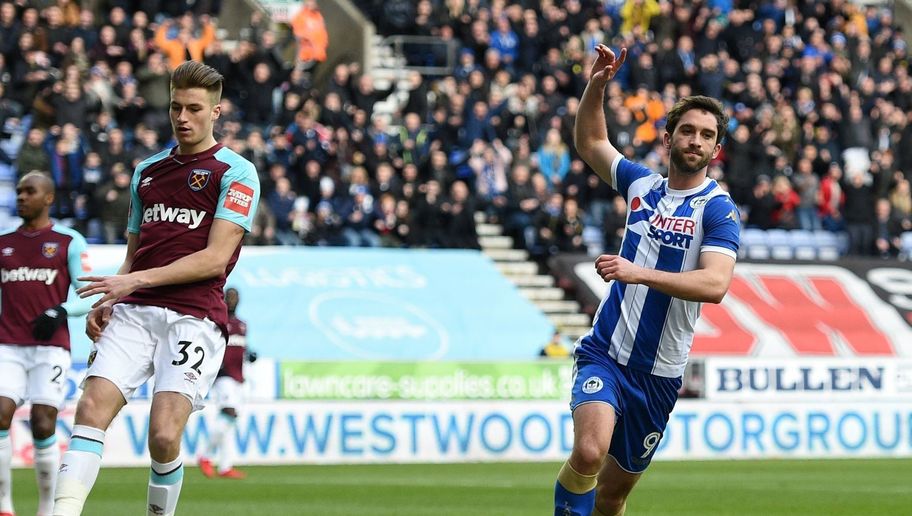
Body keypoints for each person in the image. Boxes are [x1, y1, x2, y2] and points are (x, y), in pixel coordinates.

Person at [52, 60, 260, 516]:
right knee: (90, 409)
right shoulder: (147, 171)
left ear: (215, 112)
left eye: (194, 108)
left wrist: (133, 280)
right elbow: (135, 252)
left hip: (194, 315)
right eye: (175, 107)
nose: (182, 117)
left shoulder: (236, 172)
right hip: (134, 310)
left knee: (164, 436)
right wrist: (112, 296)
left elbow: (215, 259)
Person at [554, 45, 740, 516]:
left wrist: (638, 273)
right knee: (589, 452)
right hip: (606, 353)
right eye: (687, 131)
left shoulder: (718, 210)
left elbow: (715, 285)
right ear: (668, 138)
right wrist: (596, 86)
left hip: (659, 376)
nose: (695, 140)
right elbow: (591, 142)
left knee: (612, 497)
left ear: (716, 150)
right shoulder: (643, 186)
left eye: (706, 135)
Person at [0, 172, 95, 516]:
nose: (21, 197)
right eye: (19, 191)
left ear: (49, 198)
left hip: (51, 346)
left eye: (30, 191)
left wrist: (62, 310)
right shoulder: (3, 242)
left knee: (43, 421)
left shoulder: (69, 241)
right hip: (7, 344)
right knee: (0, 413)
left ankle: (45, 509)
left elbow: (88, 292)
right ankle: (4, 506)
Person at [198, 287, 257, 480]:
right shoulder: (216, 322)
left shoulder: (242, 325)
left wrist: (249, 356)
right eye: (229, 297)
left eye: (235, 297)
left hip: (238, 378)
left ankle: (225, 466)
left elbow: (240, 350)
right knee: (229, 413)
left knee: (229, 422)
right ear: (223, 299)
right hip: (222, 376)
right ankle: (205, 456)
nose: (232, 300)